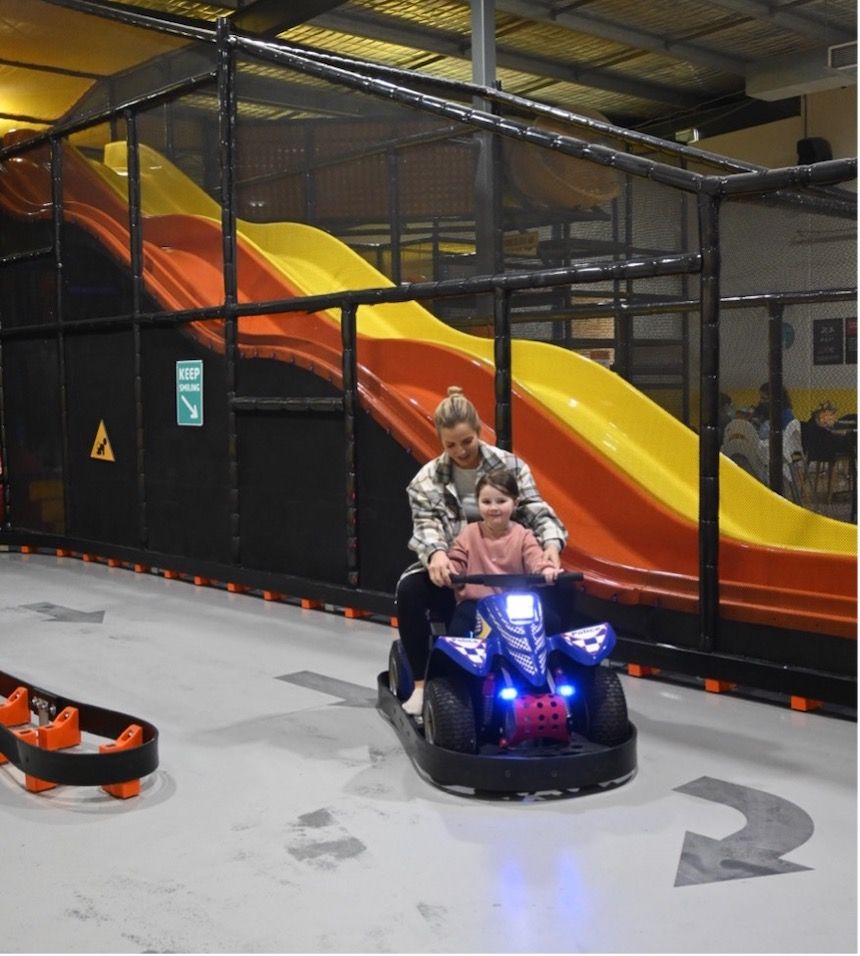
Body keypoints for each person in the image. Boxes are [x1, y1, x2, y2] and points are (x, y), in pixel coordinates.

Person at [397, 386, 568, 715]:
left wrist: (550, 548)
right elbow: (427, 526)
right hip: (461, 569)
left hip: (511, 571)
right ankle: (424, 683)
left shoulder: (510, 466)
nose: (461, 451)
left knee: (560, 594)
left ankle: (555, 675)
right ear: (440, 442)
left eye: (467, 442)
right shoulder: (426, 481)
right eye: (451, 445)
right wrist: (436, 555)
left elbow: (537, 510)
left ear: (478, 432)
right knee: (410, 590)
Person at [446, 469, 560, 637]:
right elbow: (456, 560)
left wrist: (546, 571)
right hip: (476, 603)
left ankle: (549, 662)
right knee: (457, 631)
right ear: (478, 504)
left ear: (515, 503)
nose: (493, 507)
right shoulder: (469, 533)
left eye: (501, 501)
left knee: (552, 621)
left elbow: (535, 558)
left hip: (515, 607)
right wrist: (450, 571)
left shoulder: (523, 535)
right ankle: (455, 663)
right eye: (486, 502)